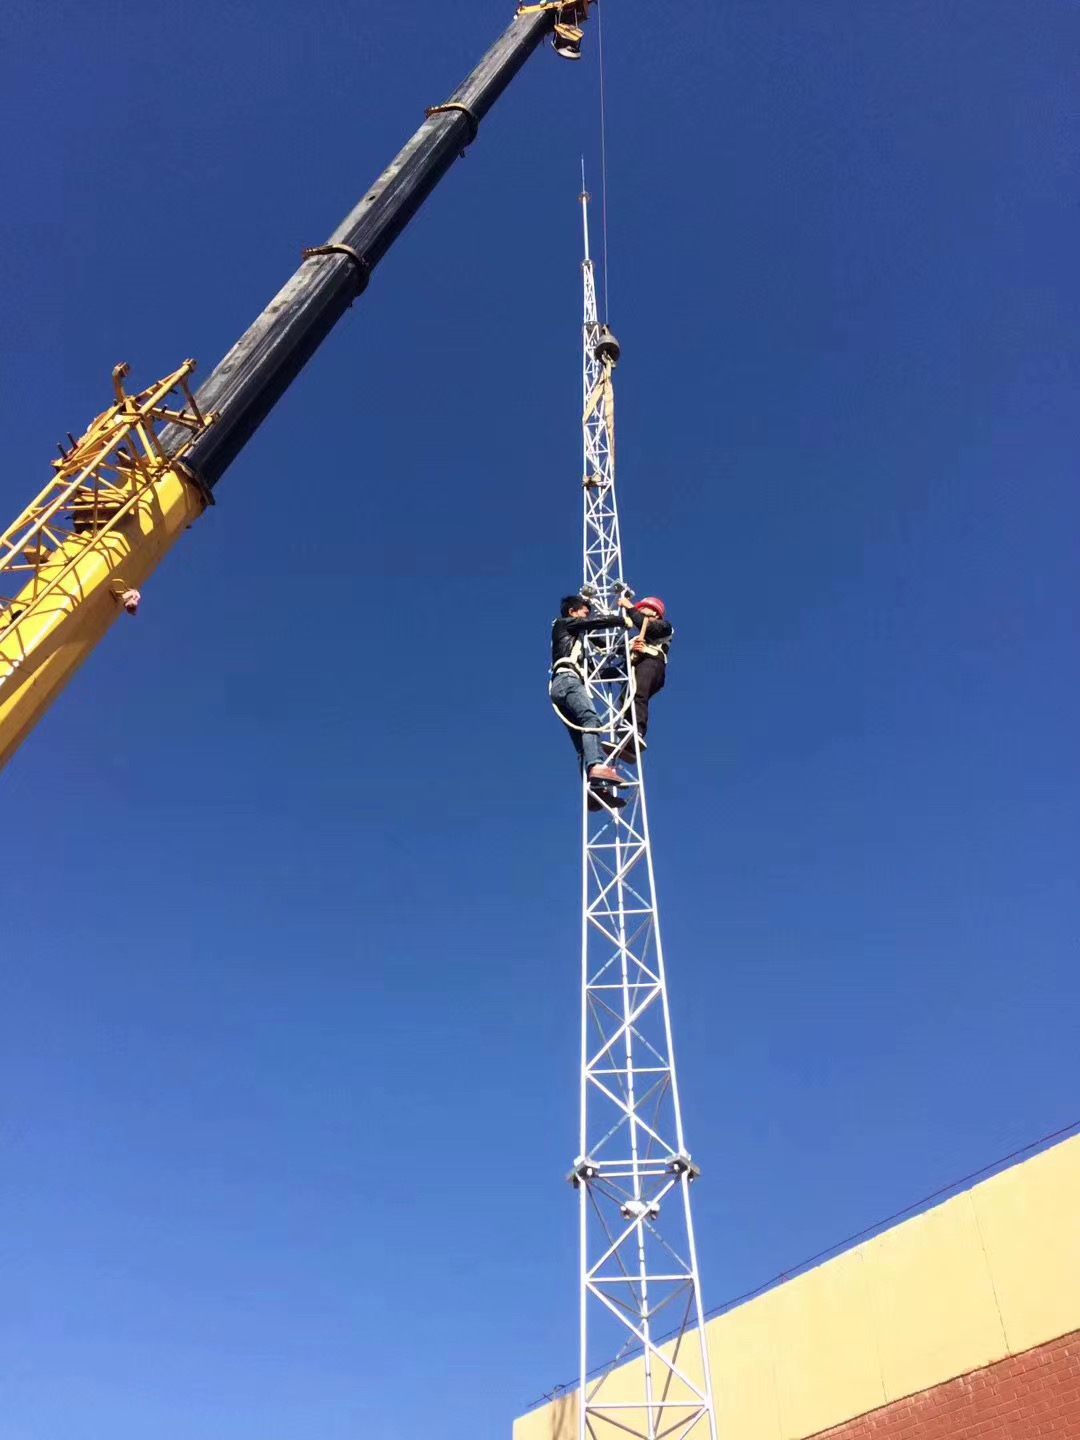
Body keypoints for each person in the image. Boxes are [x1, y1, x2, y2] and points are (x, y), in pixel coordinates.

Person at [550, 593, 629, 800]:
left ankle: (594, 794)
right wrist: (622, 620)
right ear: (572, 612)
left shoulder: (576, 648)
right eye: (584, 613)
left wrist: (625, 666)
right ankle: (596, 767)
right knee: (591, 720)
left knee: (583, 745)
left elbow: (597, 673)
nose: (587, 618)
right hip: (567, 681)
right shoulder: (564, 624)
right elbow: (594, 623)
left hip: (563, 684)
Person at [612, 596, 672, 762]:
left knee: (638, 694)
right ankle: (629, 742)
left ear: (654, 612)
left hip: (652, 665)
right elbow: (613, 650)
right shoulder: (634, 639)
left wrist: (629, 607)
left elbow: (647, 625)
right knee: (626, 699)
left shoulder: (664, 627)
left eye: (643, 608)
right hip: (637, 668)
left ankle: (637, 731)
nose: (639, 611)